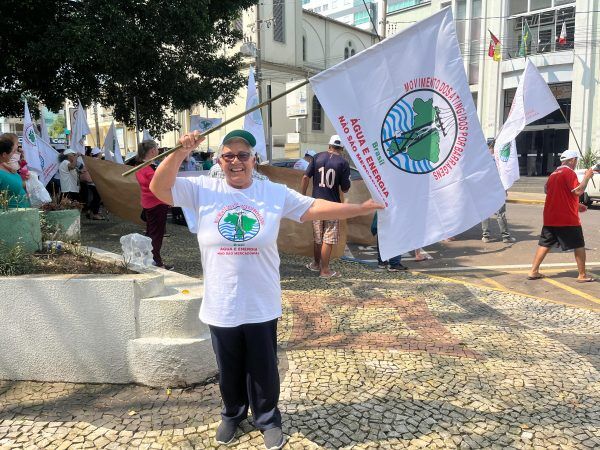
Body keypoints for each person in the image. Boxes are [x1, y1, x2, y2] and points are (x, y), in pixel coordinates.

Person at [149, 129, 383, 450]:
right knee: (228, 365)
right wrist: (178, 151)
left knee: (262, 365)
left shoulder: (271, 192)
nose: (236, 161)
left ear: (254, 160)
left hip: (261, 300)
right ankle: (232, 414)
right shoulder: (203, 189)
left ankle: (268, 418)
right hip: (221, 301)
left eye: (243, 155)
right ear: (219, 160)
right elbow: (159, 188)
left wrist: (357, 209)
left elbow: (313, 207)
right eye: (229, 155)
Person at [528, 149, 595, 283]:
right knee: (579, 244)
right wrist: (587, 176)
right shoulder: (569, 172)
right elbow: (578, 191)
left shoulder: (553, 173)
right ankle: (582, 275)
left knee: (545, 244)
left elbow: (550, 191)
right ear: (572, 160)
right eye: (576, 160)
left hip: (550, 216)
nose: (576, 163)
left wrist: (576, 205)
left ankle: (533, 271)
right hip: (567, 218)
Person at [301, 135, 351, 278]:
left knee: (318, 237)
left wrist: (303, 196)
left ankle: (316, 264)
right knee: (328, 239)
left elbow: (305, 177)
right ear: (341, 148)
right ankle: (325, 270)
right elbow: (345, 188)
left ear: (329, 146)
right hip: (332, 206)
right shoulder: (343, 163)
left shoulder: (317, 157)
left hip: (316, 204)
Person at [135, 140, 173, 270]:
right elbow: (160, 186)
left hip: (149, 203)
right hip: (156, 204)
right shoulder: (149, 170)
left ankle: (150, 258)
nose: (158, 150)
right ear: (152, 151)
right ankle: (156, 261)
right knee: (156, 235)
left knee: (152, 233)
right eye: (156, 148)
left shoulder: (139, 167)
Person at [482, 138, 516, 244]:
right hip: (497, 190)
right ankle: (505, 236)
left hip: (486, 190)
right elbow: (503, 176)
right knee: (500, 214)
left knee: (485, 213)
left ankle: (486, 236)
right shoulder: (499, 160)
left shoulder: (483, 161)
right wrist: (505, 188)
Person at [0, 134, 30, 208]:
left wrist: (24, 180)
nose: (15, 154)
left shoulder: (5, 165)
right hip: (9, 217)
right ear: (4, 154)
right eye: (13, 151)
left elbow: (11, 185)